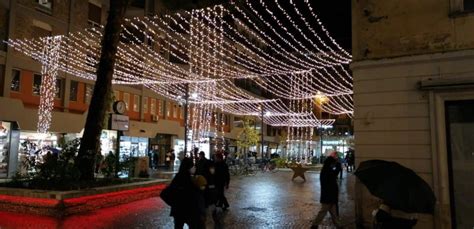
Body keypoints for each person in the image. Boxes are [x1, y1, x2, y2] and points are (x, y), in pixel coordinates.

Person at [168, 158, 206, 229]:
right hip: (189, 210)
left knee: (178, 226)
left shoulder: (178, 177)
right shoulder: (190, 180)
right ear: (188, 167)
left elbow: (171, 192)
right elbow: (195, 195)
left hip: (178, 210)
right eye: (192, 166)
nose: (194, 168)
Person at [311, 157, 341, 228]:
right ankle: (314, 225)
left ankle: (339, 226)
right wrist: (337, 168)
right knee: (324, 211)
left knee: (333, 213)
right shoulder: (326, 171)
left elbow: (333, 175)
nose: (333, 165)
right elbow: (332, 177)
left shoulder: (327, 170)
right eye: (333, 163)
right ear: (330, 163)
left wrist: (337, 168)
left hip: (329, 195)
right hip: (328, 195)